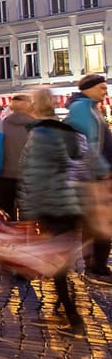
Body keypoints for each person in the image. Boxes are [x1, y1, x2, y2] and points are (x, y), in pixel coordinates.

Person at [19, 87, 88, 337]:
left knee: (56, 265)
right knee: (60, 262)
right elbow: (81, 158)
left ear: (34, 107)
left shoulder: (40, 135)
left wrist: (29, 212)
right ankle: (64, 308)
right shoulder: (67, 131)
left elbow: (32, 174)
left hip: (51, 207)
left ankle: (73, 317)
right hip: (70, 204)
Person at [65, 74, 112, 281]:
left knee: (96, 222)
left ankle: (95, 265)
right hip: (91, 177)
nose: (105, 92)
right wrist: (103, 171)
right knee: (100, 223)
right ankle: (96, 267)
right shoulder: (82, 111)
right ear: (89, 88)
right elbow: (89, 146)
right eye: (102, 88)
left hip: (93, 175)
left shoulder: (91, 108)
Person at [0, 93, 34, 222]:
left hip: (4, 176)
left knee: (6, 216)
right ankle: (26, 240)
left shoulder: (0, 125)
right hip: (29, 177)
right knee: (28, 217)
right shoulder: (36, 126)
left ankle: (8, 240)